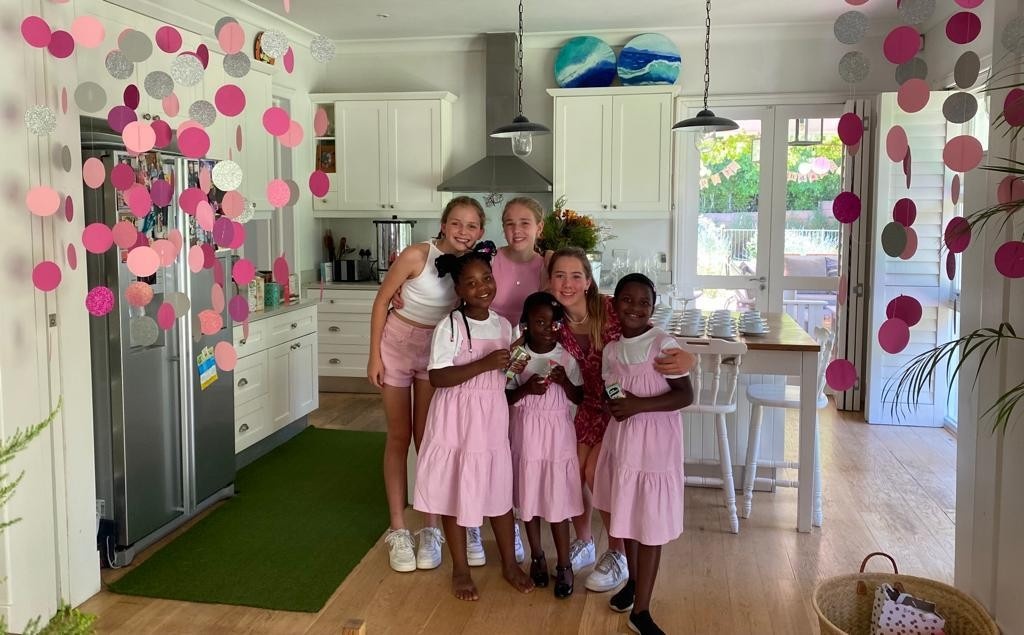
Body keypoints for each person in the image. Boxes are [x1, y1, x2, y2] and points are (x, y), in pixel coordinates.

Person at [547, 247, 693, 594]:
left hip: (624, 410)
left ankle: (618, 553)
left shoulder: (610, 307)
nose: (567, 284)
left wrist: (690, 357)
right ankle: (585, 541)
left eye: (576, 276)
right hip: (591, 404)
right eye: (559, 276)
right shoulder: (554, 321)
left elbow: (647, 329)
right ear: (549, 280)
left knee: (596, 472)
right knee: (571, 468)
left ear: (589, 280)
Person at [367, 196, 486, 573]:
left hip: (437, 352)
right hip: (397, 345)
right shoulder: (417, 255)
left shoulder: (474, 265)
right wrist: (373, 356)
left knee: (429, 441)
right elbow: (381, 301)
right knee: (399, 436)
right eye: (456, 223)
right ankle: (398, 528)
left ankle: (431, 528)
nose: (463, 231)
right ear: (443, 224)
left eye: (471, 225)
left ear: (480, 231)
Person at [413, 244, 535, 601]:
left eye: (487, 278)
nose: (482, 287)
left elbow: (505, 375)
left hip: (490, 419)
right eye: (471, 282)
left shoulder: (504, 325)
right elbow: (437, 377)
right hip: (456, 420)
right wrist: (484, 364)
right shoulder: (450, 326)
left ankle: (509, 564)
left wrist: (514, 368)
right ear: (458, 290)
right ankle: (461, 570)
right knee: (454, 492)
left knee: (498, 491)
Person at [594, 273, 693, 635]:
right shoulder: (612, 350)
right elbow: (611, 387)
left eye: (644, 303)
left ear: (653, 307)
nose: (635, 308)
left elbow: (685, 395)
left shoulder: (662, 344)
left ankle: (642, 611)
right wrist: (614, 403)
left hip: (655, 447)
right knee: (629, 514)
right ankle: (634, 584)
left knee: (649, 524)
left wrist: (638, 405)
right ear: (614, 304)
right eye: (627, 300)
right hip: (623, 442)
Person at [506, 292, 584, 599]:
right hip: (526, 437)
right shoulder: (518, 357)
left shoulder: (566, 357)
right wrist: (526, 388)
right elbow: (505, 395)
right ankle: (537, 556)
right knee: (530, 499)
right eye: (540, 322)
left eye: (555, 323)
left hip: (557, 440)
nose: (549, 329)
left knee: (557, 501)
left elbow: (579, 397)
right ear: (525, 324)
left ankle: (564, 564)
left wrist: (565, 382)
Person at [490, 197, 549, 323]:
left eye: (525, 223)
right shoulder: (490, 260)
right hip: (488, 333)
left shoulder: (546, 267)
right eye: (510, 224)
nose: (516, 230)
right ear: (504, 228)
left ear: (539, 228)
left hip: (527, 334)